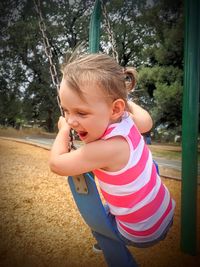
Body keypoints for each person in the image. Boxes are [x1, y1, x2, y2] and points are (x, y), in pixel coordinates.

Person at [50, 53, 175, 267]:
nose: (71, 120)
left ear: (115, 108)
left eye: (81, 112)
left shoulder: (106, 148)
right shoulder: (128, 120)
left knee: (98, 223)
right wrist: (126, 100)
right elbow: (148, 121)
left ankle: (116, 255)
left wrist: (63, 131)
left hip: (142, 232)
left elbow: (57, 164)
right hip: (165, 211)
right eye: (66, 111)